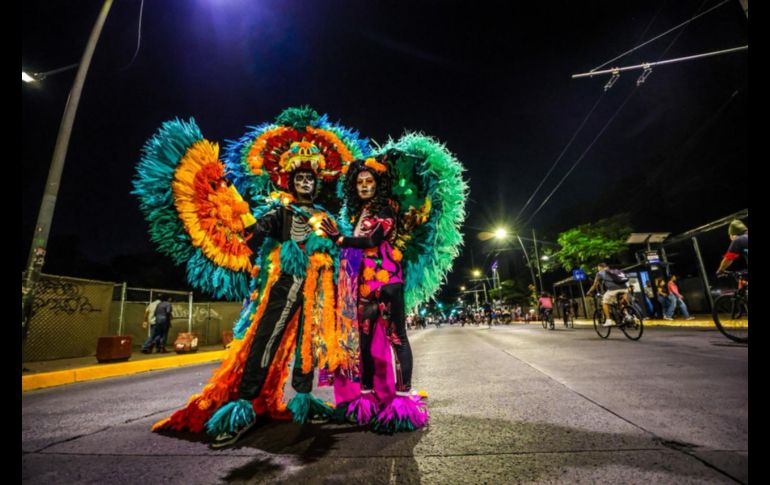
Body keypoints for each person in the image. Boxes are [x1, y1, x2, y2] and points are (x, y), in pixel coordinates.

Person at [322, 154, 428, 433]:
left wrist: (340, 239)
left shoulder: (387, 208)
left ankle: (403, 403)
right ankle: (366, 400)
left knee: (397, 338)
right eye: (360, 182)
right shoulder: (361, 213)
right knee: (364, 345)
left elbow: (373, 240)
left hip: (388, 282)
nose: (365, 185)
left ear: (378, 184)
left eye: (369, 181)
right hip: (363, 287)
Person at [586, 262, 629, 327]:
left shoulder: (600, 273)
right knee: (620, 303)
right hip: (624, 288)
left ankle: (608, 320)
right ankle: (627, 315)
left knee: (604, 302)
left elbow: (595, 285)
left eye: (598, 268)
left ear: (600, 267)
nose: (598, 270)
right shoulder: (615, 271)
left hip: (613, 289)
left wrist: (589, 291)